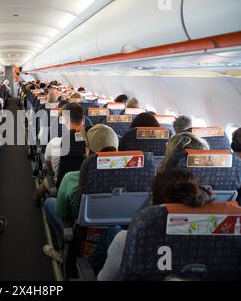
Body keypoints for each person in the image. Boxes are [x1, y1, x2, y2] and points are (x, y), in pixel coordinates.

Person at [95, 168, 214, 280]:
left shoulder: (128, 240)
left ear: (153, 199)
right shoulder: (219, 240)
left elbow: (104, 279)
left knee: (113, 231)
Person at [42, 124, 119, 259]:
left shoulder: (71, 178)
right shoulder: (134, 178)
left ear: (88, 150)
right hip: (116, 236)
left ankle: (61, 252)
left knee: (49, 203)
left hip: (80, 233)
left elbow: (62, 212)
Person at [33, 103, 85, 204]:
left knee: (48, 178)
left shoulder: (54, 143)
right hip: (86, 188)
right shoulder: (91, 144)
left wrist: (52, 172)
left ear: (65, 120)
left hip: (62, 189)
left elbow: (48, 164)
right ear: (83, 120)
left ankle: (36, 198)